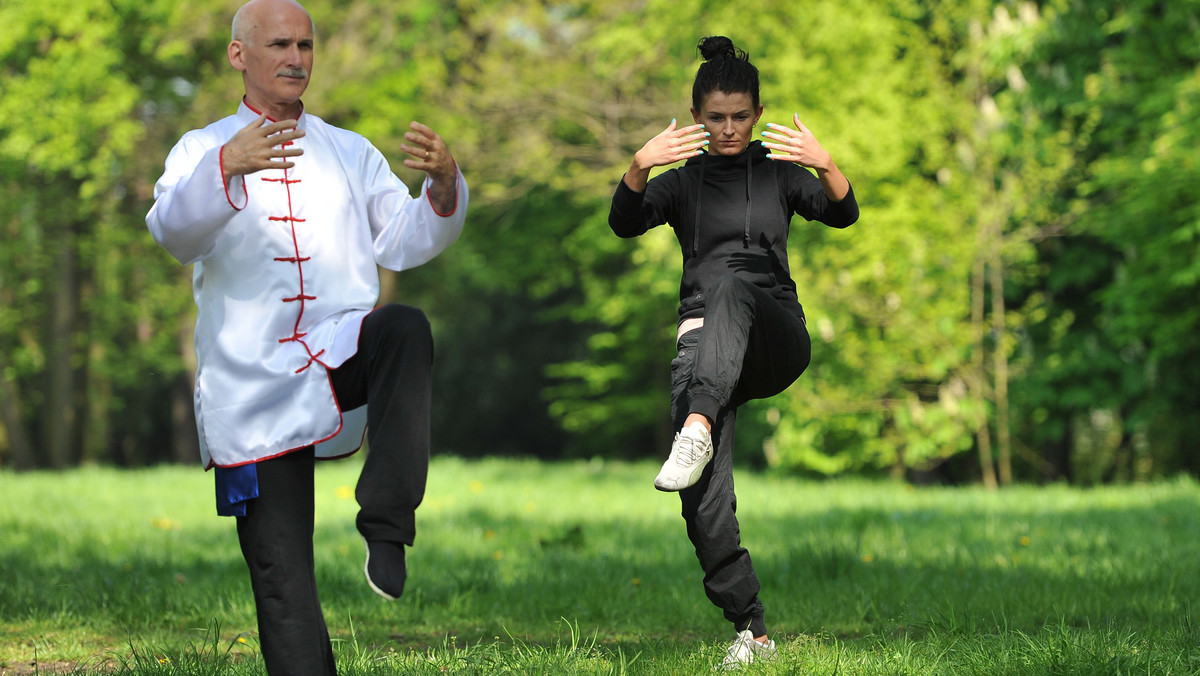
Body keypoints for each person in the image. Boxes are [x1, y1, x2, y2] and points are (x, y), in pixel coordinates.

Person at [145, 0, 468, 673]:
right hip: (248, 391)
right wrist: (226, 166)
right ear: (240, 55)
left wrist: (442, 185)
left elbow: (403, 241)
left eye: (307, 46)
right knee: (284, 587)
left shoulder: (348, 151)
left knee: (404, 327)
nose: (297, 59)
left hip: (336, 353)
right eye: (280, 45)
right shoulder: (200, 148)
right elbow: (173, 234)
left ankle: (386, 523)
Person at [608, 36, 859, 668]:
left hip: (774, 337)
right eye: (715, 117)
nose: (728, 129)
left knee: (734, 282)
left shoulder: (779, 176)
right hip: (704, 346)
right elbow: (623, 221)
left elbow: (844, 213)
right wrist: (641, 164)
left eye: (740, 116)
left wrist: (826, 163)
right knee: (702, 501)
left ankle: (698, 423)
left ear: (757, 112)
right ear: (696, 118)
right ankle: (753, 630)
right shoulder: (682, 185)